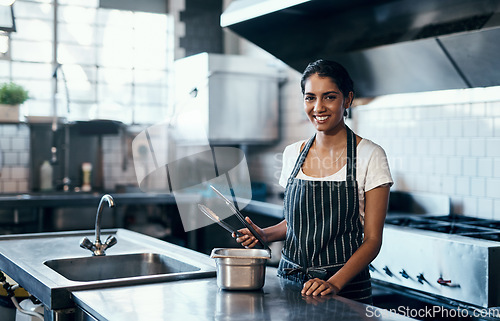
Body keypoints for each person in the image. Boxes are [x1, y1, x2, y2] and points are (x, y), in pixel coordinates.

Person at [235, 59, 393, 304]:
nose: (318, 107)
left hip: (345, 291)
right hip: (291, 284)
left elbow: (373, 240)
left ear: (347, 100)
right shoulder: (292, 154)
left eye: (329, 97)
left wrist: (333, 283)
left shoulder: (371, 155)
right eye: (310, 98)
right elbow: (298, 224)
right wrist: (264, 235)